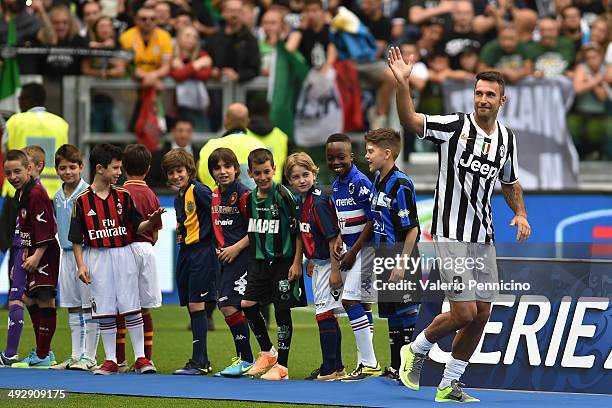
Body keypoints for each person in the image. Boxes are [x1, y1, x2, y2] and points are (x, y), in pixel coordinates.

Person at [389, 46, 531, 402]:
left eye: (490, 94)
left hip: (484, 237)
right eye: (479, 93)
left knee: (481, 315)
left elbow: (510, 181)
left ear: (502, 100)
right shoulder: (454, 126)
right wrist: (403, 84)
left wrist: (521, 213)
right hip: (451, 233)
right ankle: (416, 350)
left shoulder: (507, 139)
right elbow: (411, 120)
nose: (483, 99)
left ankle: (449, 384)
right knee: (464, 311)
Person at [68, 143, 162, 375]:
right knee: (105, 308)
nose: (120, 172)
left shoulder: (124, 196)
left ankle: (141, 358)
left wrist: (150, 222)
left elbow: (137, 226)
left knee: (132, 305)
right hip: (97, 257)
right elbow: (76, 238)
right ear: (100, 168)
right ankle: (111, 359)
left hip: (123, 253)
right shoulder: (81, 201)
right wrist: (81, 265)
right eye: (115, 168)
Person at [241, 148, 307, 381]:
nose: (262, 177)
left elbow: (298, 231)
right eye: (257, 173)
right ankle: (268, 351)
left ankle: (283, 367)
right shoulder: (248, 199)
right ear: (250, 173)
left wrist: (297, 261)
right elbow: (252, 231)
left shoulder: (282, 195)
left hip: (283, 262)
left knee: (281, 311)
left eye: (266, 172)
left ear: (274, 170)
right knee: (247, 304)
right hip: (259, 262)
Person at [364, 128, 422, 381]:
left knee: (408, 314)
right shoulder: (378, 180)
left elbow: (413, 229)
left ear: (387, 153)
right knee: (392, 317)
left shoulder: (401, 183)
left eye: (370, 151)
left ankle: (414, 369)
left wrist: (401, 263)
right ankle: (396, 367)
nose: (366, 156)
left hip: (401, 258)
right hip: (383, 258)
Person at [325, 133, 381, 382]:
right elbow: (344, 219)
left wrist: (353, 252)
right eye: (330, 158)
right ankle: (364, 362)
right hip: (351, 249)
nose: (336, 161)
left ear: (352, 156)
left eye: (341, 156)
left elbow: (372, 220)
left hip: (366, 250)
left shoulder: (360, 181)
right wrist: (339, 238)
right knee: (364, 304)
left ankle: (370, 363)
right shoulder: (337, 184)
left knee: (349, 300)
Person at [286, 152, 345, 381]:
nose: (302, 180)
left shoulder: (318, 201)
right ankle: (336, 366)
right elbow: (304, 233)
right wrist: (305, 260)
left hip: (329, 263)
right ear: (289, 180)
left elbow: (332, 238)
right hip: (319, 263)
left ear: (314, 173)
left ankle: (329, 369)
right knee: (328, 314)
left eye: (306, 174)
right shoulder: (302, 201)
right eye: (296, 176)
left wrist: (334, 270)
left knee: (323, 314)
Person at [161, 148, 217, 375]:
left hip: (203, 252)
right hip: (187, 252)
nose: (176, 176)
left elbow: (217, 216)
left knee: (197, 304)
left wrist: (217, 246)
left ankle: (199, 361)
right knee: (191, 304)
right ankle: (202, 359)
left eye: (179, 171)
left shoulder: (199, 190)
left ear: (189, 170)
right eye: (171, 172)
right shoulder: (178, 197)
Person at [5, 150, 60, 368]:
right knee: (29, 298)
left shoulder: (36, 193)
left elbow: (47, 228)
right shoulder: (21, 193)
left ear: (29, 169)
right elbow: (28, 228)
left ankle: (43, 354)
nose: (12, 177)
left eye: (17, 171)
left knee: (45, 299)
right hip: (32, 252)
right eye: (8, 173)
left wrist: (37, 255)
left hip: (44, 253)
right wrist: (24, 256)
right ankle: (43, 351)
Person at [50, 144, 98, 371]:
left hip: (86, 254)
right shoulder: (57, 196)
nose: (67, 172)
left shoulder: (89, 193)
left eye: (72, 167)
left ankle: (90, 356)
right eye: (62, 168)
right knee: (72, 306)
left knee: (89, 306)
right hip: (65, 254)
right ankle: (75, 354)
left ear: (81, 167)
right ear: (56, 169)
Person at [207, 148, 255, 376]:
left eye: (227, 166)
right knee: (230, 306)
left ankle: (247, 359)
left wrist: (235, 248)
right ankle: (250, 358)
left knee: (230, 305)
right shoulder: (215, 194)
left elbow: (255, 230)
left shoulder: (244, 194)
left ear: (237, 169)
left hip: (242, 257)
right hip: (224, 259)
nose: (223, 171)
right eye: (217, 167)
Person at [122, 144, 163, 367]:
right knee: (144, 307)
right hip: (145, 250)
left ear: (123, 167)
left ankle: (119, 359)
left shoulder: (118, 193)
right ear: (148, 168)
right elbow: (155, 234)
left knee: (120, 306)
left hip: (122, 251)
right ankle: (146, 359)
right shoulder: (150, 194)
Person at [2, 83, 68, 199]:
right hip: (52, 192)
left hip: (18, 190)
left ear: (29, 100)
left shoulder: (14, 122)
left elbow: (4, 150)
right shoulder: (61, 124)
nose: (19, 102)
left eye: (20, 98)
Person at [198, 103, 266, 190]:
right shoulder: (259, 146)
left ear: (225, 121)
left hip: (214, 201)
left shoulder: (210, 146)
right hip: (252, 202)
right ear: (247, 122)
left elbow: (203, 177)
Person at [205, 0, 261, 83]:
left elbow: (255, 69)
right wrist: (212, 71)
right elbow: (205, 59)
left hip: (242, 91)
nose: (234, 14)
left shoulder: (250, 39)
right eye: (231, 11)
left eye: (238, 11)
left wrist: (238, 75)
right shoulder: (214, 38)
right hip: (217, 89)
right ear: (223, 13)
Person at [119, 5, 172, 89]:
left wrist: (153, 76)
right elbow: (129, 66)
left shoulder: (165, 36)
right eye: (144, 19)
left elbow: (166, 66)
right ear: (136, 20)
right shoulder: (126, 37)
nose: (148, 22)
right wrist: (151, 79)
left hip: (156, 84)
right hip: (132, 85)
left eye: (152, 19)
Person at [246, 96, 288, 185]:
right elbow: (287, 168)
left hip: (250, 187)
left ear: (248, 113)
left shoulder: (243, 135)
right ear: (268, 112)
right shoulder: (282, 136)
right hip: (276, 188)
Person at [149, 118, 197, 189]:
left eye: (188, 131)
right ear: (173, 131)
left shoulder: (199, 155)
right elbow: (150, 181)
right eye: (180, 130)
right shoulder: (158, 155)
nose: (184, 135)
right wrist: (168, 187)